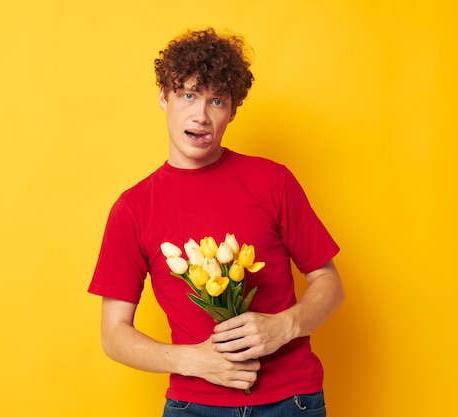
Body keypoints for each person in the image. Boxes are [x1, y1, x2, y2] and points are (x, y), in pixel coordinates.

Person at [88, 27, 345, 417]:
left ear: (233, 111)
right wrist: (193, 360)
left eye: (217, 101)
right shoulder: (133, 208)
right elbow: (114, 334)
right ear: (164, 98)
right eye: (188, 95)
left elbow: (329, 282)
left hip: (292, 401)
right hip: (194, 406)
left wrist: (286, 325)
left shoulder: (272, 181)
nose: (201, 115)